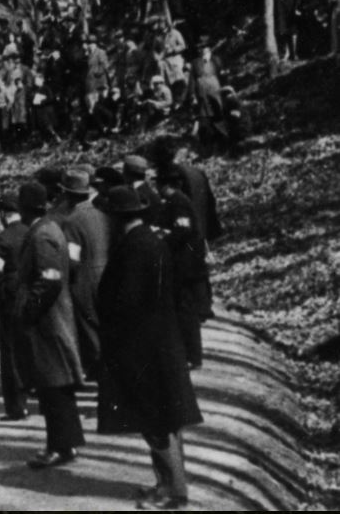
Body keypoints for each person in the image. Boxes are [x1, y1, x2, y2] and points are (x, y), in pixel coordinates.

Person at [94, 185, 203, 509]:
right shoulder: (150, 241)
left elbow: (127, 302)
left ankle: (173, 492)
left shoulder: (135, 247)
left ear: (117, 217)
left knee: (157, 423)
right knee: (163, 419)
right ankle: (166, 483)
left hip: (143, 349)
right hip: (158, 345)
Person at [16, 182, 86, 468]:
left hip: (48, 321)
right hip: (52, 317)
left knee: (53, 385)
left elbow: (50, 280)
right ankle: (66, 443)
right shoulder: (50, 228)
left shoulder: (42, 234)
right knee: (56, 385)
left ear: (24, 208)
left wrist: (28, 311)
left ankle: (59, 447)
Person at [55, 169, 112, 380]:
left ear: (68, 194)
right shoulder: (103, 215)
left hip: (84, 280)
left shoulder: (73, 221)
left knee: (89, 327)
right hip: (106, 274)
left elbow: (72, 259)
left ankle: (98, 370)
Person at [155, 169, 213, 368]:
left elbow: (183, 230)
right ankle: (190, 354)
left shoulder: (178, 202)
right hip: (186, 265)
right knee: (184, 311)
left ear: (165, 185)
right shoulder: (178, 200)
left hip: (186, 267)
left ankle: (193, 356)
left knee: (186, 312)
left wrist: (163, 239)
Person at [0, 192, 31, 421]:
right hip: (33, 297)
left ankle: (16, 406)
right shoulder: (32, 232)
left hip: (11, 300)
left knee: (11, 354)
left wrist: (1, 297)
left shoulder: (2, 239)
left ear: (4, 214)